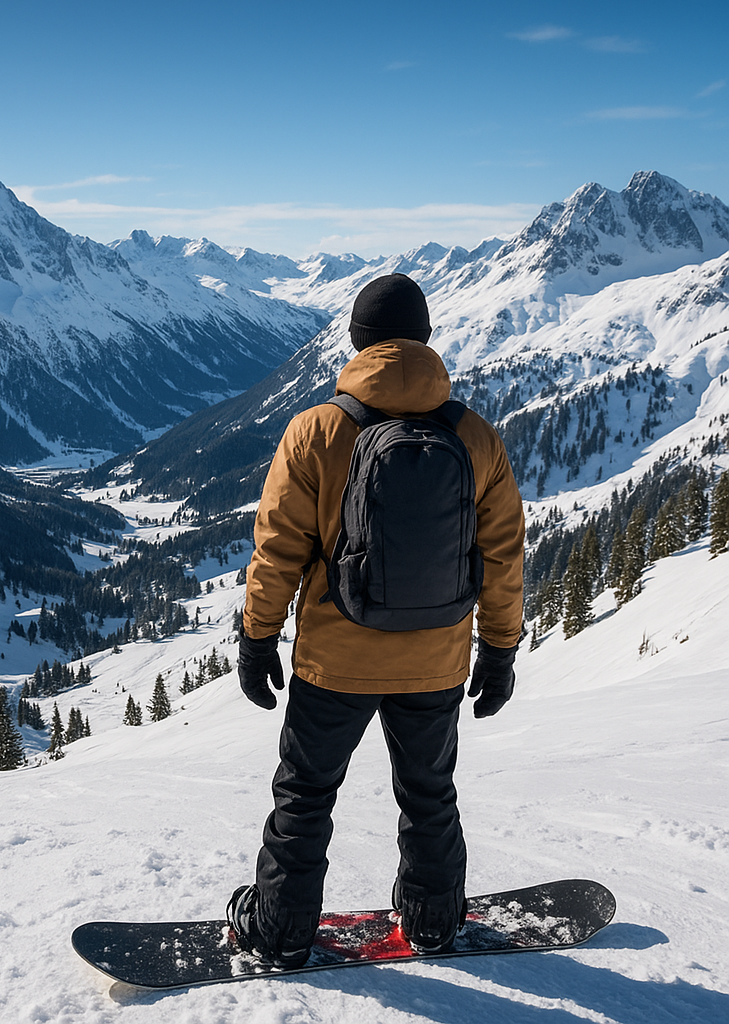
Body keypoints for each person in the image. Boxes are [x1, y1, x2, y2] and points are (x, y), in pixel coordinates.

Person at [228, 273, 524, 966]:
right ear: (425, 338)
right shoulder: (475, 436)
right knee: (429, 794)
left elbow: (278, 551)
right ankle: (432, 922)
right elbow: (503, 555)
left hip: (335, 661)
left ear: (358, 341)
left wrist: (257, 637)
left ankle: (281, 930)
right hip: (436, 659)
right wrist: (500, 650)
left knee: (305, 794)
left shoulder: (318, 430)